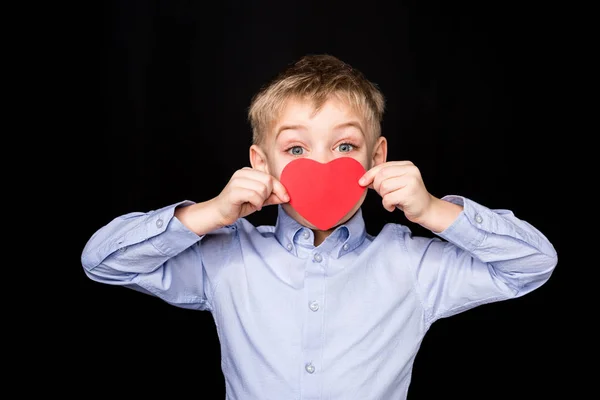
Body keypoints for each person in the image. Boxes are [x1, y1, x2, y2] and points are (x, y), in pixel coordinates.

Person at [81, 54, 558, 399]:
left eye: (346, 146)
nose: (323, 163)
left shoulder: (412, 265)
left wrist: (433, 210)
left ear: (378, 158)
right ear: (260, 162)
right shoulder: (226, 257)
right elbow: (103, 262)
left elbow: (534, 264)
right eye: (295, 149)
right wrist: (211, 213)